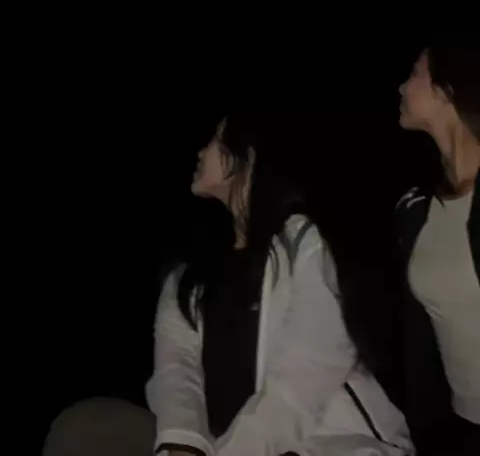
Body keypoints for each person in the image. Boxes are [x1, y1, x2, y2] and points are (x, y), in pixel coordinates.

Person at [43, 115, 413, 456]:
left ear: (247, 155)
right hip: (218, 442)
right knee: (84, 428)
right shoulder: (189, 275)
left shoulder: (307, 245)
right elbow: (176, 371)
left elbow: (303, 379)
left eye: (214, 140)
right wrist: (183, 445)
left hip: (327, 442)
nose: (200, 151)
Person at [397, 36, 480, 455]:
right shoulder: (416, 209)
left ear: (447, 90)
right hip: (460, 428)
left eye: (414, 74)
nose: (401, 86)